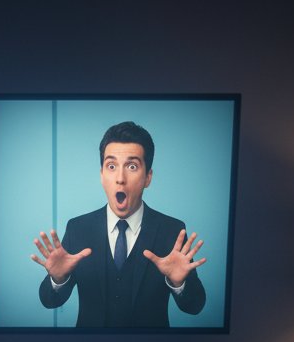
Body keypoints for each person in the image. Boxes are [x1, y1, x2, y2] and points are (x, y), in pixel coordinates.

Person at [32, 120, 206, 329]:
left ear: (148, 177)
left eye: (132, 166)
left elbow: (195, 306)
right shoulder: (78, 228)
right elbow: (50, 301)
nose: (120, 178)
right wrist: (58, 279)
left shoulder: (172, 231)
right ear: (102, 175)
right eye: (111, 166)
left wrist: (179, 283)